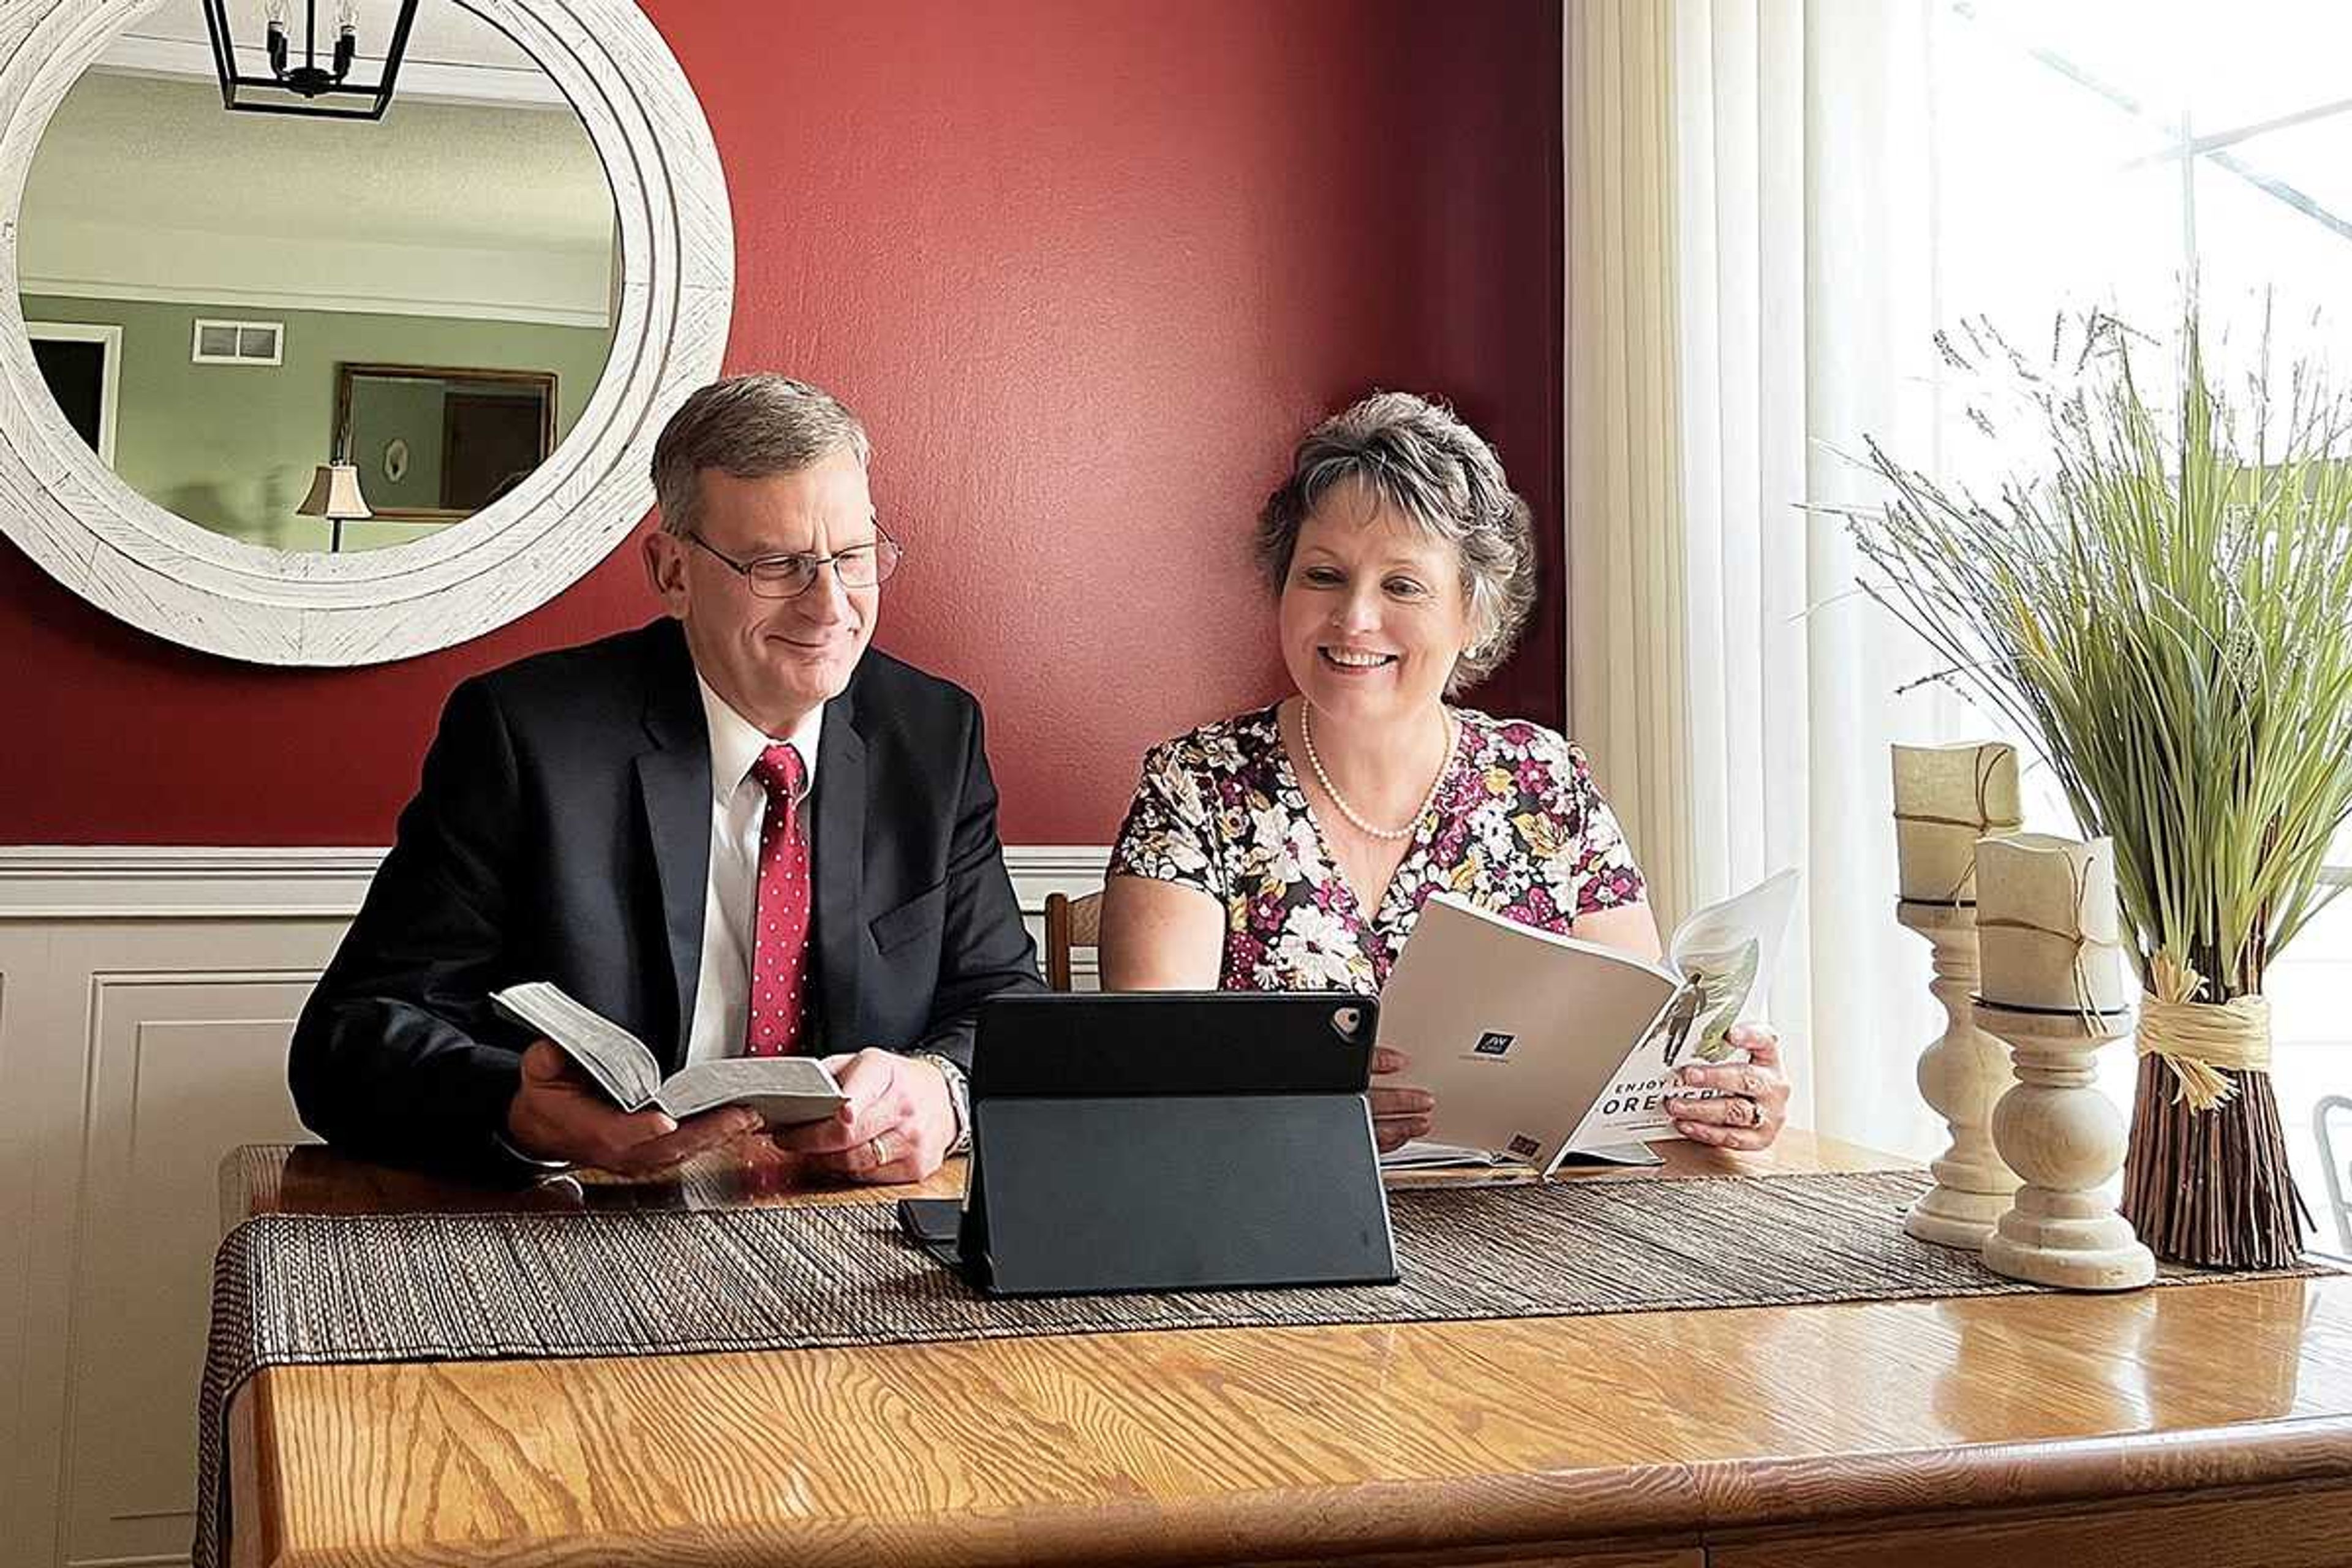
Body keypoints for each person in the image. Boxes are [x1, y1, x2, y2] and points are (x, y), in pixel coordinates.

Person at [290, 374, 1041, 1182]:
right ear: (673, 573)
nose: (830, 606)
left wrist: (941, 1091)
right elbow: (350, 1041)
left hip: (847, 1217)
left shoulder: (932, 735)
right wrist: (518, 1107)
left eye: (853, 558)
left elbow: (1005, 1004)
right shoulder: (528, 735)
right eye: (777, 566)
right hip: (584, 1224)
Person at [1098, 391, 1789, 1152]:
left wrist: (1712, 1093)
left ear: (1477, 615)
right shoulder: (1195, 783)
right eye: (1323, 575)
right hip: (1272, 1218)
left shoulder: (1546, 783)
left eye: (1402, 585)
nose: (1355, 618)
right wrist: (1311, 1103)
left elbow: (1635, 1072)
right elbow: (1150, 1072)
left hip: (1522, 1238)